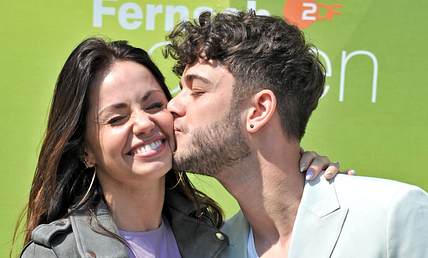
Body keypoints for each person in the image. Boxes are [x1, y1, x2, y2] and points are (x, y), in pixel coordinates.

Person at [17, 37, 340, 258]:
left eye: (154, 104)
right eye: (117, 119)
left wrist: (305, 179)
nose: (143, 124)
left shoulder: (217, 239)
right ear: (85, 152)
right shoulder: (57, 252)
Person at [165, 10, 428, 258]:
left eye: (197, 90)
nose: (172, 106)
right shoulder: (217, 250)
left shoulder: (391, 215)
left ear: (258, 110)